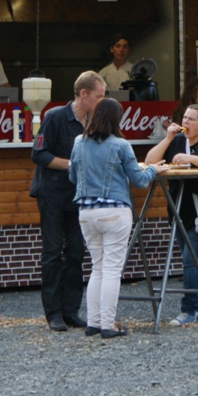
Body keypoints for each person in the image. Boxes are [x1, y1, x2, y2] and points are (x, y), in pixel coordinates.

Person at [69, 98, 166, 337]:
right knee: (112, 269)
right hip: (114, 211)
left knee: (98, 267)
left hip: (86, 212)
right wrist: (153, 169)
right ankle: (108, 325)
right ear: (117, 119)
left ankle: (93, 322)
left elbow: (73, 176)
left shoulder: (79, 142)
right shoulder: (121, 144)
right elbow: (140, 181)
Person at [30, 71, 106, 332]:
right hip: (51, 194)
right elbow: (38, 154)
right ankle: (53, 313)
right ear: (83, 94)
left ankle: (71, 311)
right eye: (99, 96)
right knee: (52, 253)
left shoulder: (94, 122)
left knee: (75, 253)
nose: (102, 101)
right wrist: (73, 165)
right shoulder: (54, 117)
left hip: (79, 197)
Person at [144, 104, 198, 325]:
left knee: (191, 258)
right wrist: (167, 138)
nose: (186, 122)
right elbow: (149, 161)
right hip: (179, 206)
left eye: (191, 119)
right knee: (196, 258)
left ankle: (189, 309)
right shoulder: (177, 140)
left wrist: (190, 158)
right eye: (185, 118)